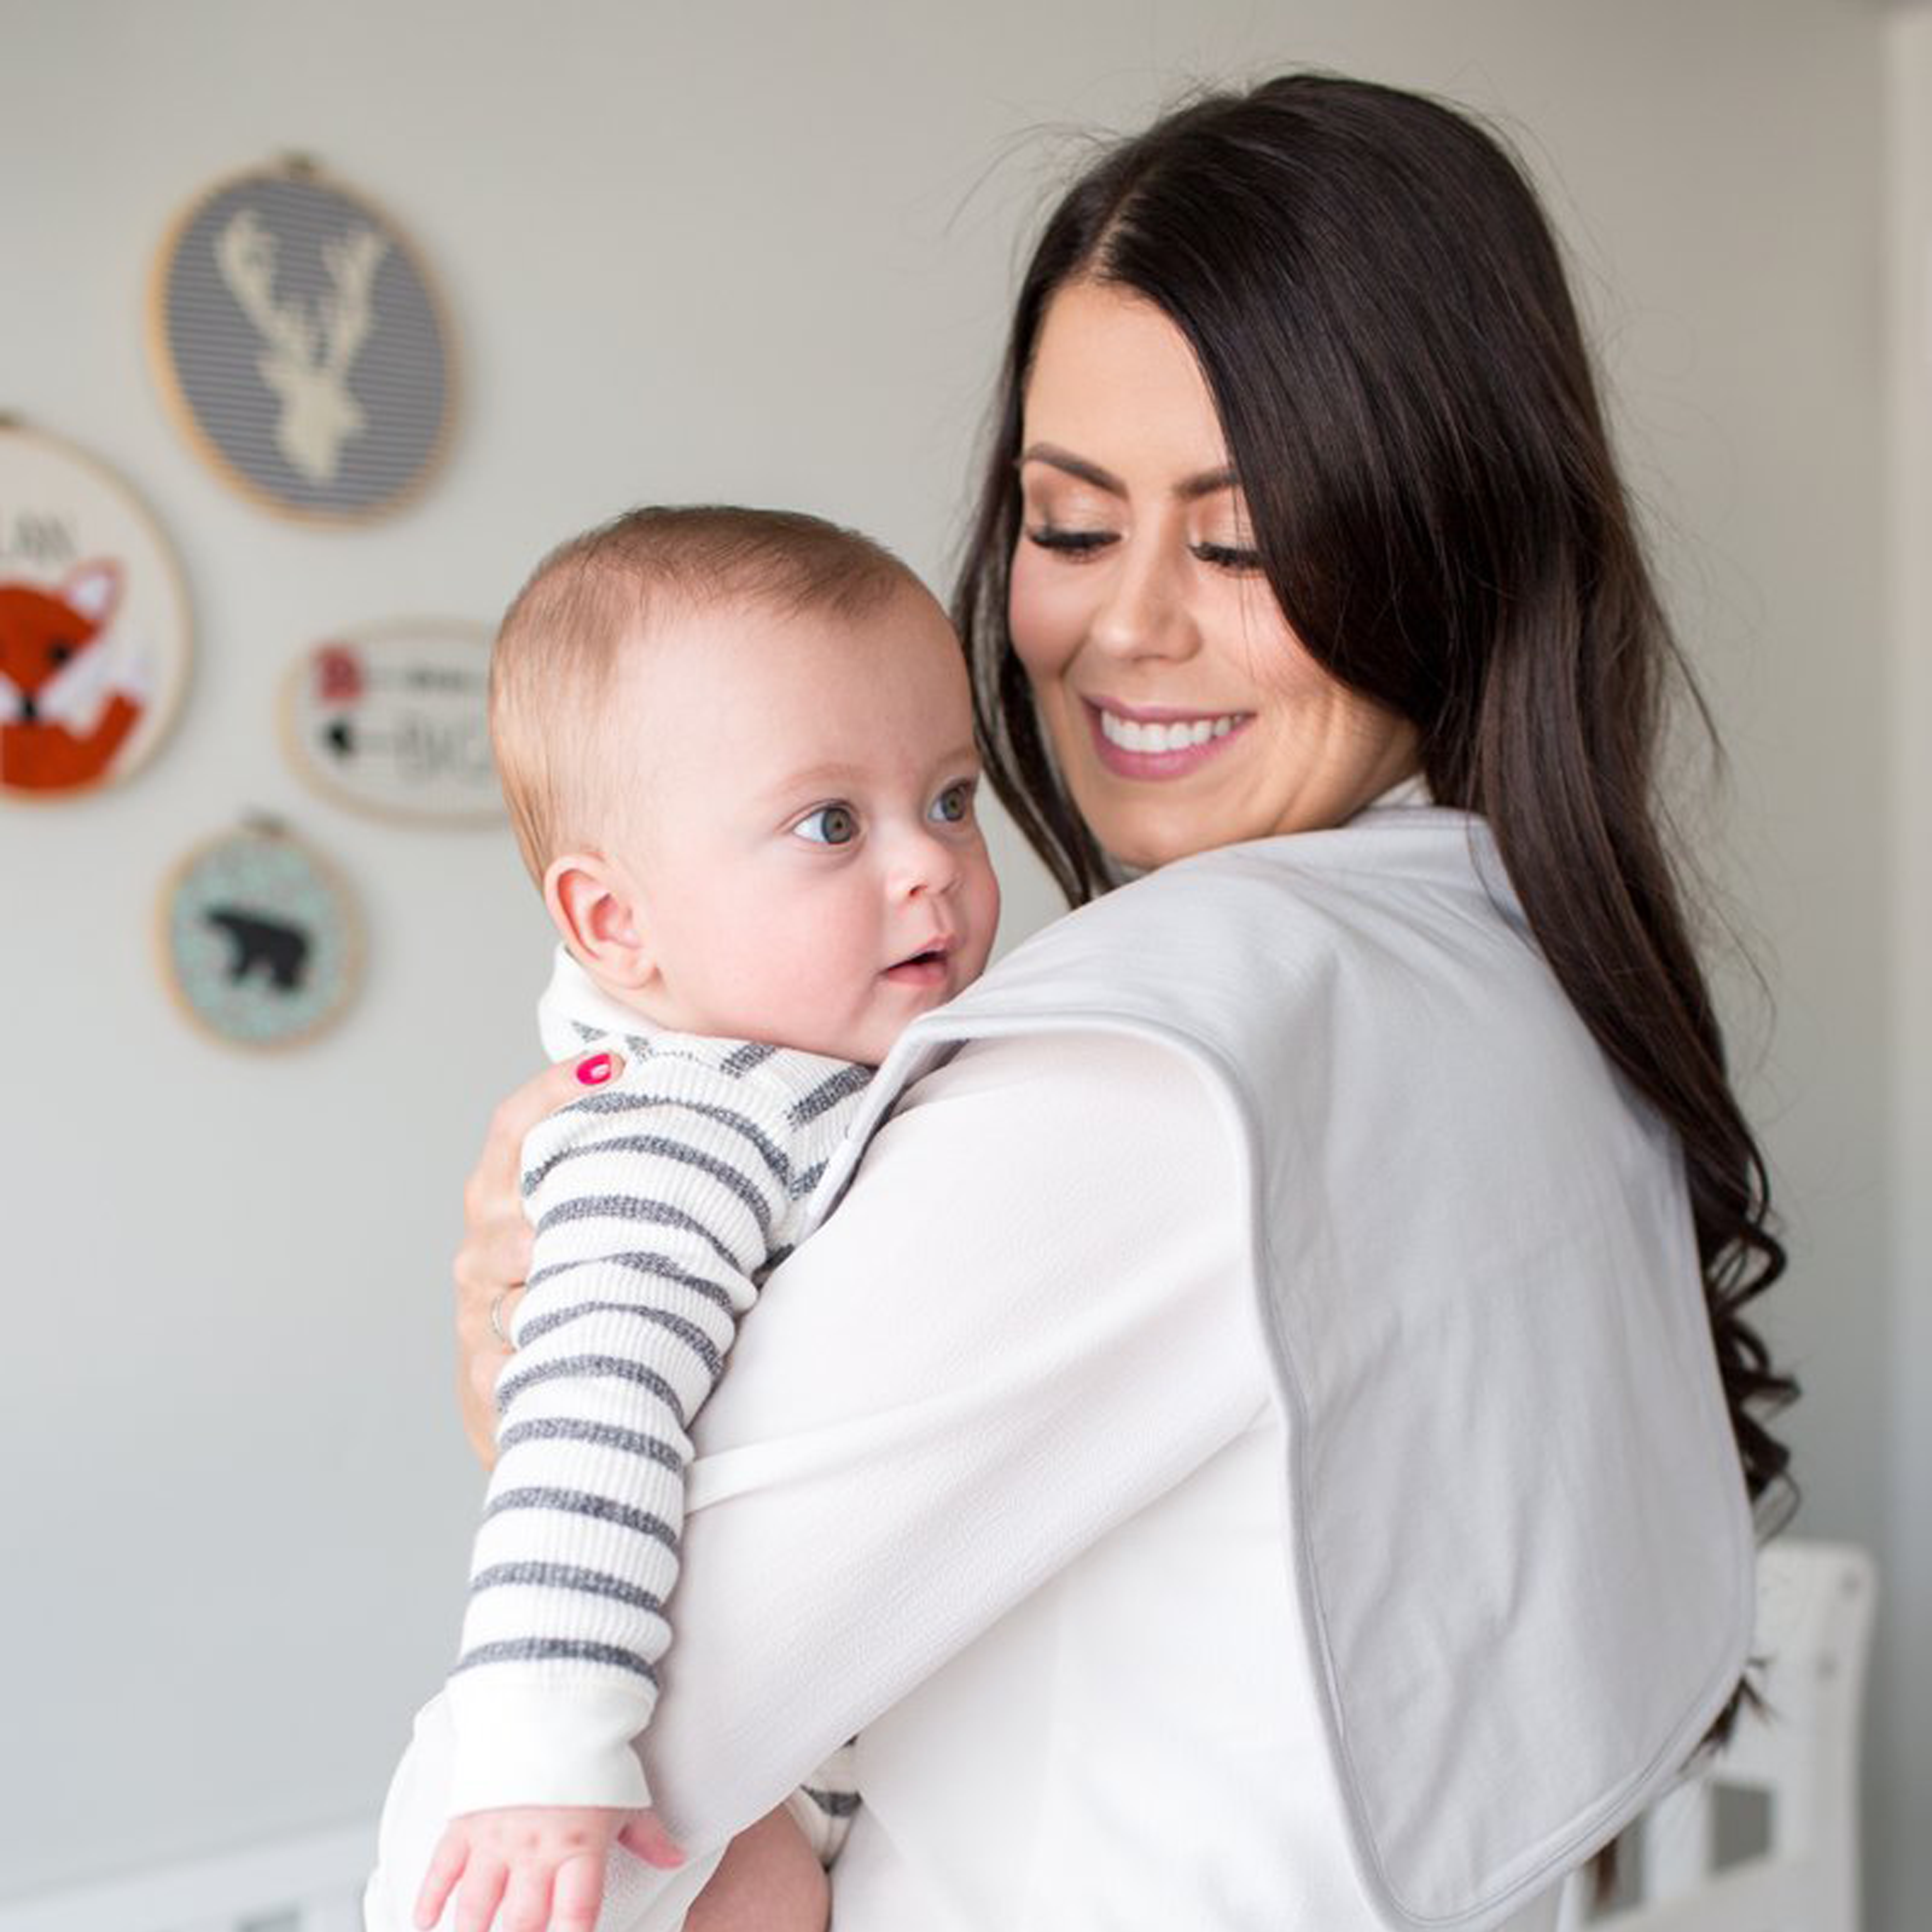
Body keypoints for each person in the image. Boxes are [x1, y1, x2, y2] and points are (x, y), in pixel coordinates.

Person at [374, 71, 1796, 1932]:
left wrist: (527, 1383)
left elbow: (505, 1842)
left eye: (1239, 536)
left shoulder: (1158, 1069)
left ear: (1438, 538)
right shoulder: (1523, 969)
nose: (1125, 625)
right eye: (1066, 523)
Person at [383, 508, 1001, 1932]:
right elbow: (589, 1421)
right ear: (616, 927)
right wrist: (541, 1759)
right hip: (695, 1791)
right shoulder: (682, 1131)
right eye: (830, 823)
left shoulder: (844, 1079)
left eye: (954, 798)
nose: (929, 866)